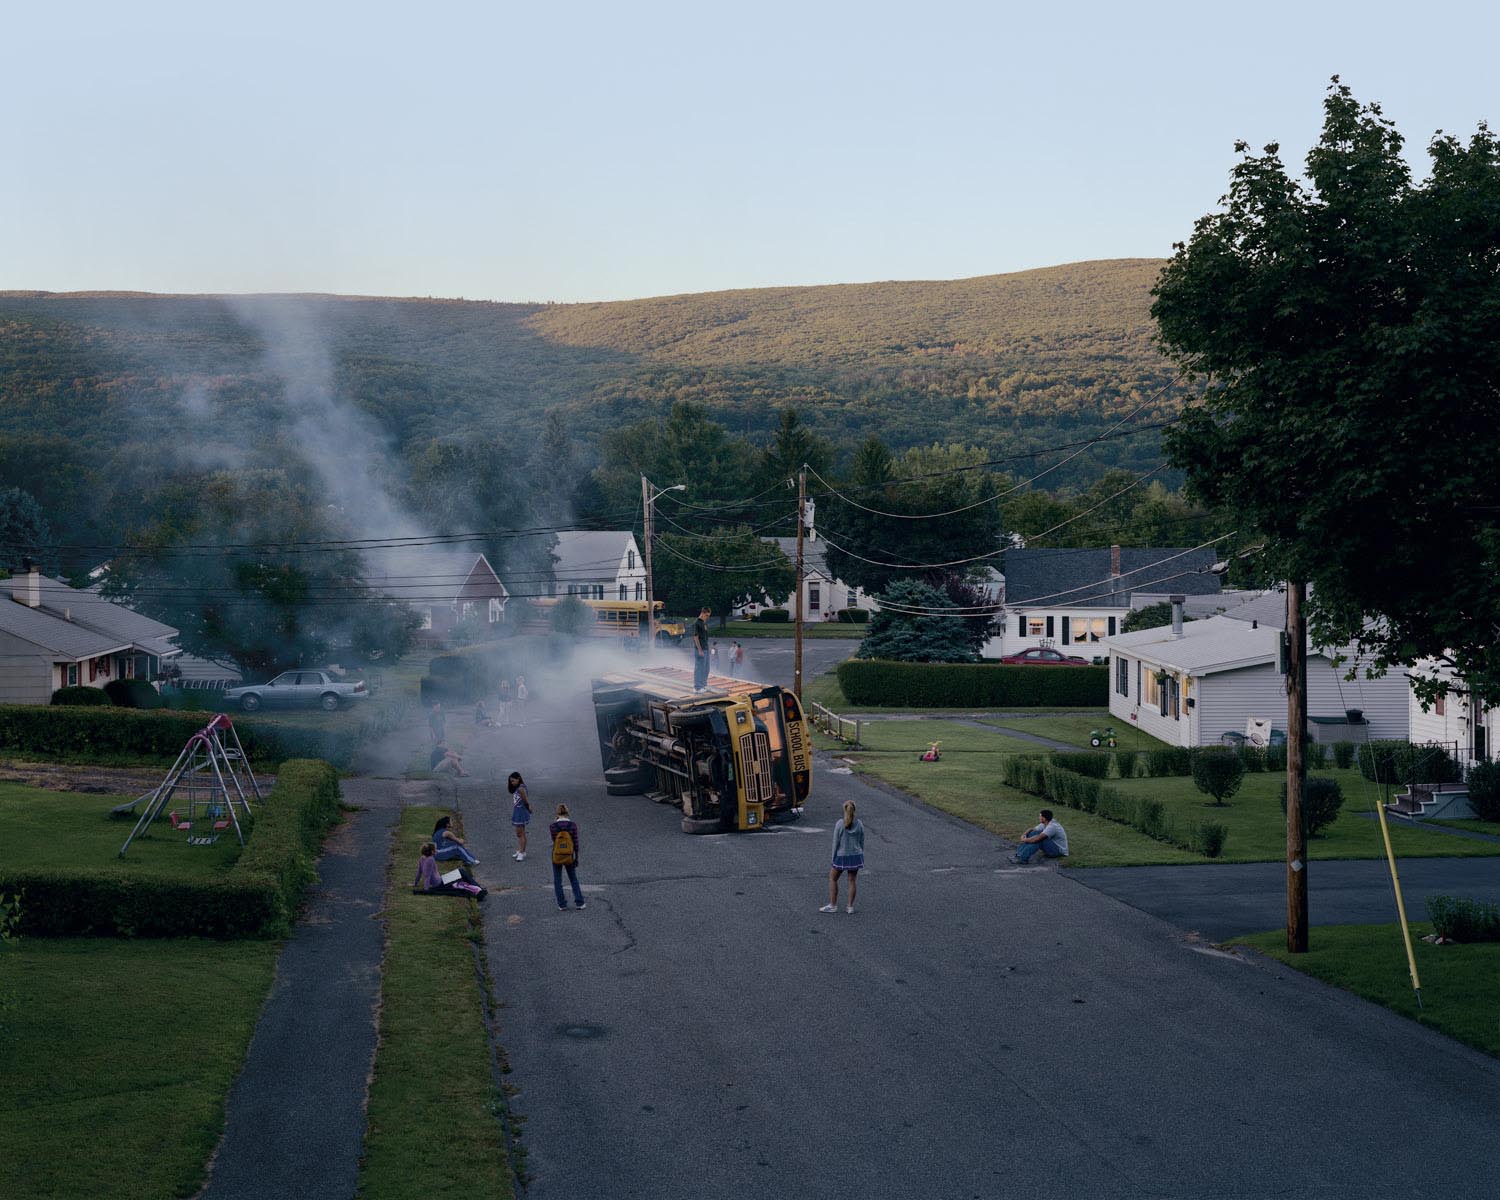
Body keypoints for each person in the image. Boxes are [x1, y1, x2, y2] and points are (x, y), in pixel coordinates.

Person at [821, 799, 864, 914]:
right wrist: (861, 854)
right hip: (856, 856)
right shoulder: (859, 824)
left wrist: (833, 858)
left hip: (842, 856)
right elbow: (862, 841)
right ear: (854, 810)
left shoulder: (840, 824)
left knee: (833, 878)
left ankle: (833, 905)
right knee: (852, 880)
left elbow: (835, 843)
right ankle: (850, 907)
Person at [412, 842, 486, 899]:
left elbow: (419, 872)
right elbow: (428, 876)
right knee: (461, 872)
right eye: (435, 850)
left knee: (461, 873)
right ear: (431, 852)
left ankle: (478, 888)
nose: (436, 851)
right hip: (440, 883)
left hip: (441, 879)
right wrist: (426, 889)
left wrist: (415, 883)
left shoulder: (422, 858)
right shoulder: (431, 860)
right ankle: (479, 889)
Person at [549, 803, 586, 910]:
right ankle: (580, 902)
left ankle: (562, 904)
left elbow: (554, 840)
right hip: (569, 855)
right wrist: (576, 857)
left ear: (557, 813)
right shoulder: (573, 825)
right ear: (567, 813)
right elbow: (576, 842)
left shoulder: (552, 826)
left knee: (557, 880)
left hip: (557, 855)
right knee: (573, 879)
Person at [508, 771, 533, 861]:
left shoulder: (521, 789)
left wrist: (529, 808)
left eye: (513, 781)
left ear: (518, 779)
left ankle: (522, 852)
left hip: (521, 812)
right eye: (511, 781)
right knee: (519, 833)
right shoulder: (518, 787)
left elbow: (526, 801)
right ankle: (520, 849)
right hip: (517, 811)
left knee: (521, 833)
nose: (512, 783)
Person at [692, 606, 711, 690]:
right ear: (702, 613)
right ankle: (697, 687)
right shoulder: (697, 623)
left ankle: (703, 685)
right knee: (699, 668)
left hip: (706, 648)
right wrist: (699, 650)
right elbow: (695, 637)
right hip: (700, 649)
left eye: (708, 615)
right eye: (707, 615)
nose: (708, 617)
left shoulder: (704, 622)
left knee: (706, 668)